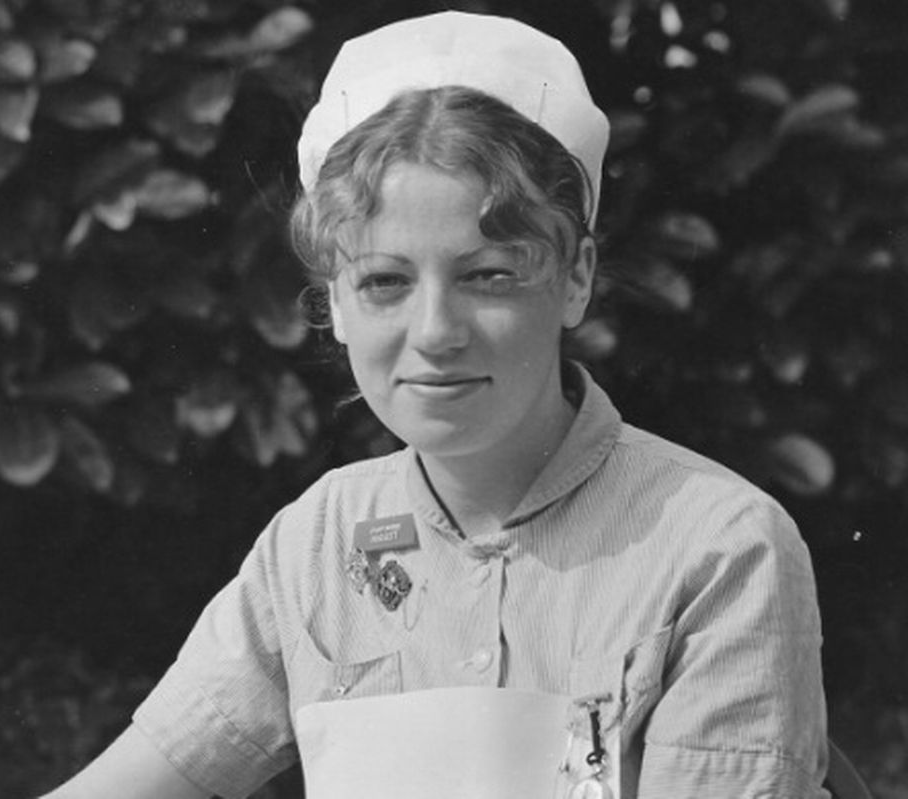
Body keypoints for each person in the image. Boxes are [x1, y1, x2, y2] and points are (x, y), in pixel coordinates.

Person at [42, 11, 829, 799]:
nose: (435, 333)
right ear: (336, 305)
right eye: (385, 281)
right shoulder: (318, 541)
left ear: (576, 277)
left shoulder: (718, 548)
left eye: (489, 275)